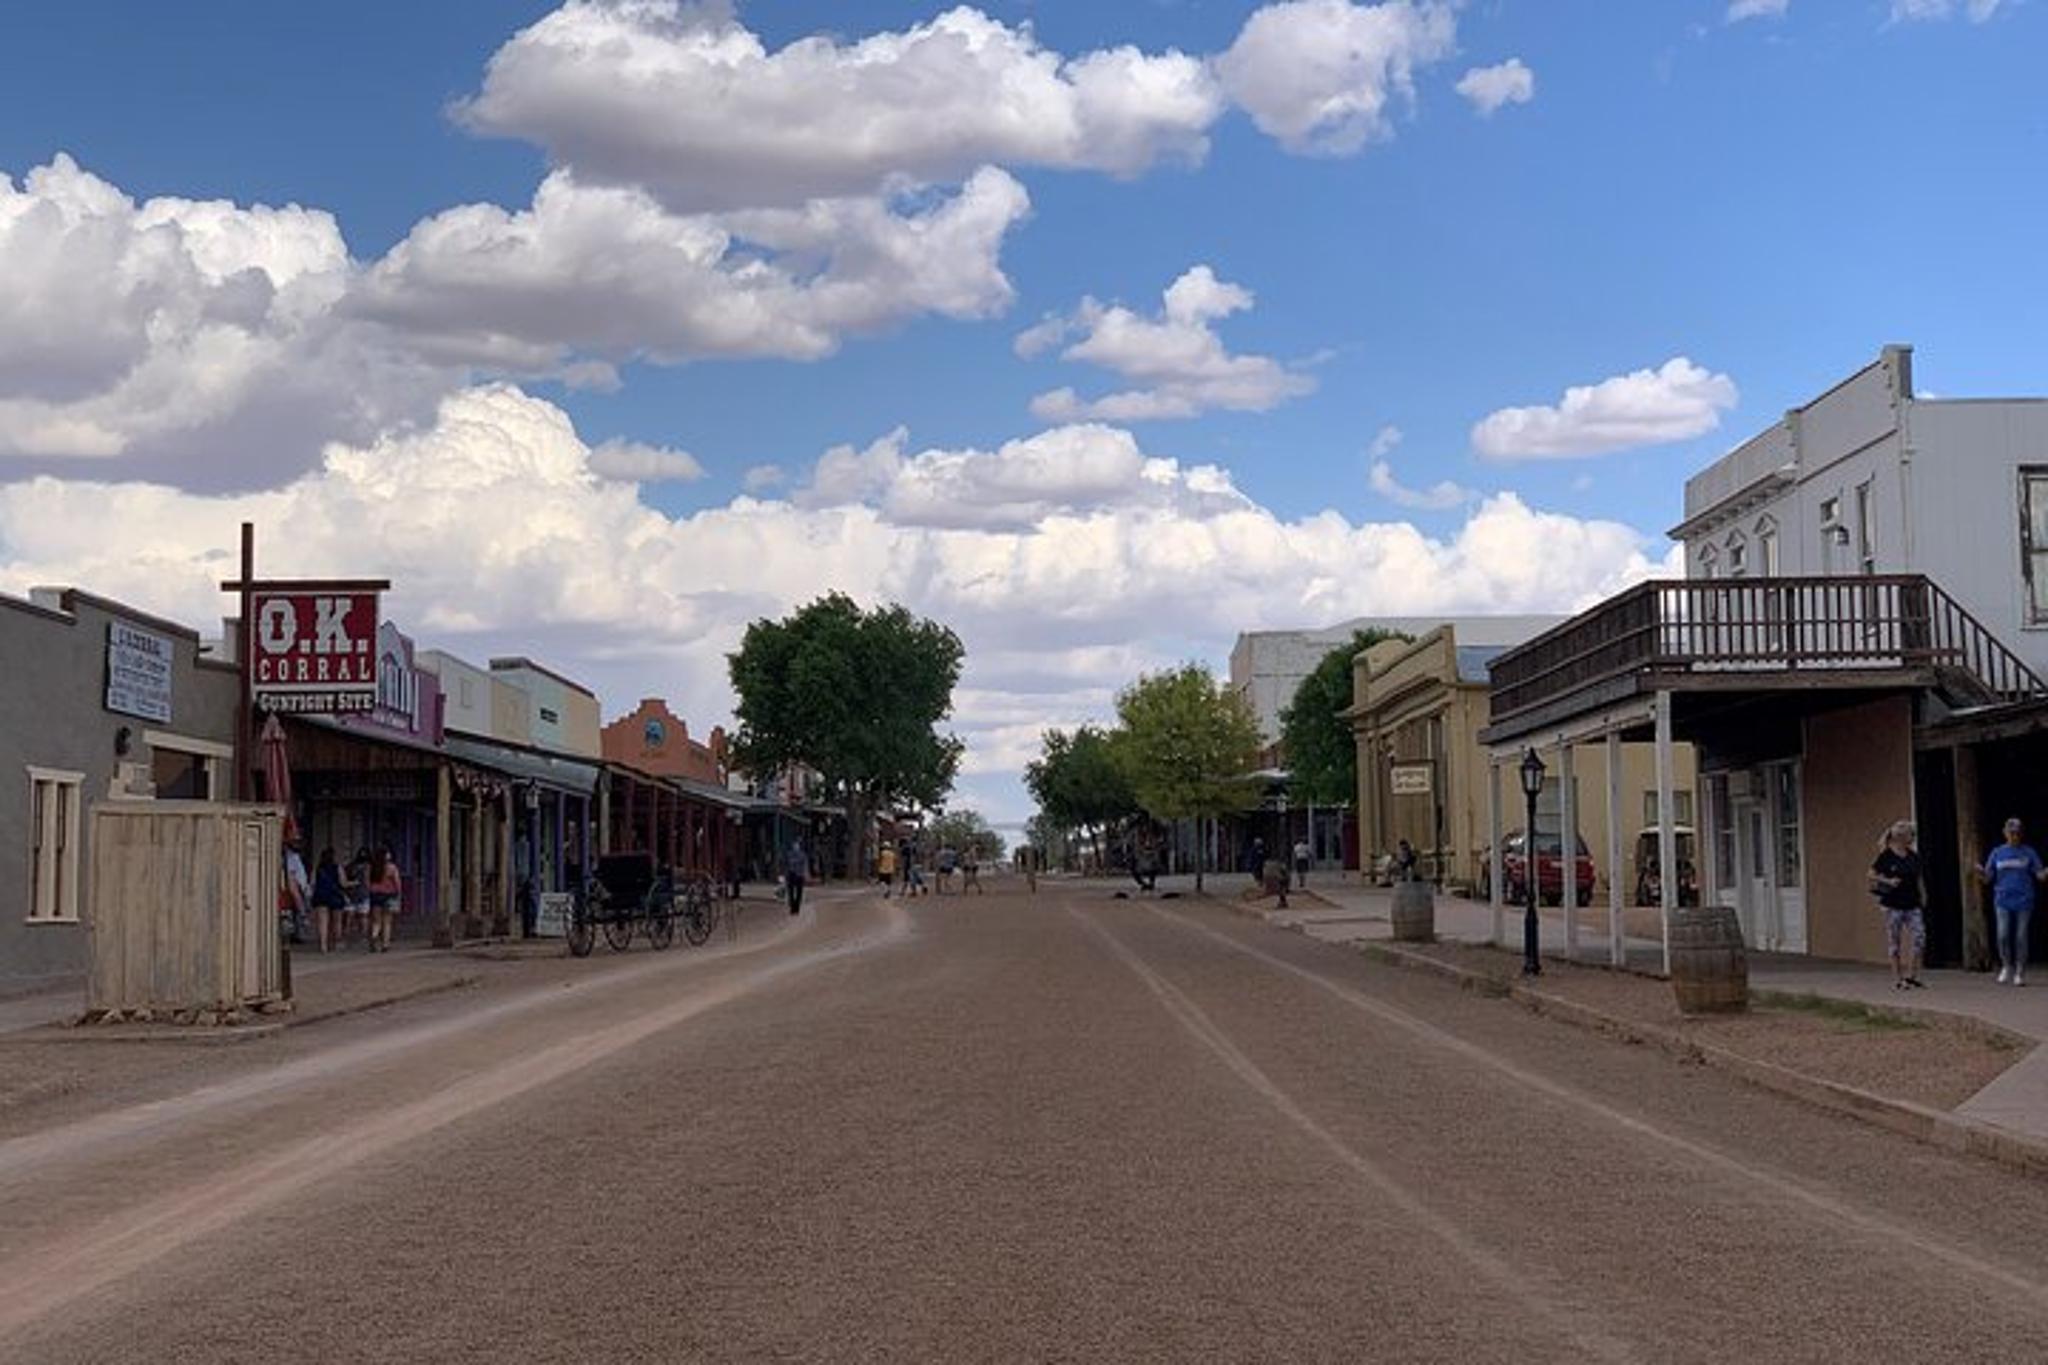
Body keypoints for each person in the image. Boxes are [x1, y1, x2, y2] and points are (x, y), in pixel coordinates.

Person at [1976, 817, 2048, 986]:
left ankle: (2020, 971)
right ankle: (2006, 965)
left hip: (2024, 899)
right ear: (2005, 833)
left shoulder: (2029, 852)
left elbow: (2040, 876)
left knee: (2021, 936)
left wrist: (2045, 872)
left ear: (2021, 834)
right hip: (2002, 899)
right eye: (2011, 832)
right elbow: (1988, 878)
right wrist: (1980, 873)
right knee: (2003, 935)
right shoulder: (1997, 852)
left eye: (2017, 833)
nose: (2014, 836)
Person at [1871, 820, 1926, 990]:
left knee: (1919, 937)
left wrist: (1923, 894)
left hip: (1912, 903)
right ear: (1902, 837)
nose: (1913, 838)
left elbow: (1919, 877)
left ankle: (1912, 975)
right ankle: (1897, 978)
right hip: (1893, 904)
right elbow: (1871, 874)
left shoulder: (1913, 856)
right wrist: (1887, 880)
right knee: (1895, 941)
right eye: (1911, 835)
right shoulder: (1886, 856)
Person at [310, 847, 346, 953]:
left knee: (323, 922)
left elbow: (312, 883)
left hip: (320, 896)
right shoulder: (337, 867)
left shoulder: (317, 868)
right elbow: (343, 883)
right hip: (335, 896)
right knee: (337, 921)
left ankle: (323, 946)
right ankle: (336, 943)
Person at [367, 846, 402, 952]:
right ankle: (385, 944)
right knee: (387, 921)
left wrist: (372, 890)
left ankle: (374, 935)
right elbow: (397, 882)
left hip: (375, 895)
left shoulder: (371, 867)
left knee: (376, 921)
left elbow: (367, 882)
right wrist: (399, 893)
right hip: (388, 895)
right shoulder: (391, 867)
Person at [281, 839, 311, 946]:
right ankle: (297, 935)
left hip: (301, 890)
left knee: (297, 915)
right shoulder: (291, 858)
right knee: (299, 915)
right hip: (296, 891)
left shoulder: (294, 857)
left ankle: (297, 935)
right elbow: (291, 880)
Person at [784, 838, 808, 916]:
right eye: (794, 845)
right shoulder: (789, 854)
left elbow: (805, 865)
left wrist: (805, 874)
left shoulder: (802, 855)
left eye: (797, 845)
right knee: (791, 892)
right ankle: (792, 907)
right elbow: (786, 865)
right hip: (792, 874)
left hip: (799, 875)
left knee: (798, 893)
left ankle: (796, 908)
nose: (795, 847)